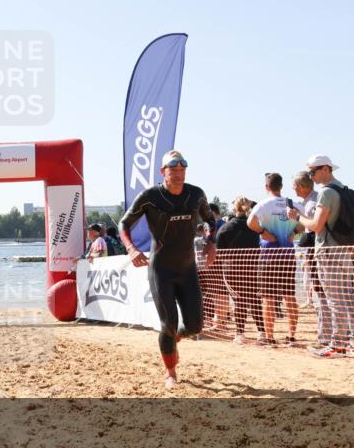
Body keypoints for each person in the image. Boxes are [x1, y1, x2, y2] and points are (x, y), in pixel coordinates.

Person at [119, 150, 216, 388]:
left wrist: (211, 242)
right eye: (174, 170)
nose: (179, 174)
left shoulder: (195, 194)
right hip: (161, 269)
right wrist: (131, 249)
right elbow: (124, 224)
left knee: (195, 326)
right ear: (163, 172)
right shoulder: (151, 196)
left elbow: (210, 220)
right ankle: (170, 372)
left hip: (187, 269)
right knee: (168, 323)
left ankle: (173, 341)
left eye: (183, 170)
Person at [288, 155, 354, 358]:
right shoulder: (344, 190)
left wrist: (297, 216)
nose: (311, 177)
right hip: (344, 250)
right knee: (349, 296)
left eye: (313, 172)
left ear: (325, 169)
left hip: (329, 250)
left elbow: (316, 225)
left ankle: (337, 344)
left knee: (334, 300)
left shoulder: (326, 193)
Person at [248, 173, 300, 346]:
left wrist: (263, 233)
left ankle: (270, 337)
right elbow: (306, 220)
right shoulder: (291, 203)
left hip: (269, 255)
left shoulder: (263, 204)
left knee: (268, 298)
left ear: (266, 187)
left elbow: (250, 222)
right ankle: (292, 336)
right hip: (287, 255)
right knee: (289, 296)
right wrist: (294, 232)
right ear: (281, 186)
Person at [216, 196, 264, 344]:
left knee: (238, 301)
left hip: (232, 268)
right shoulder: (255, 226)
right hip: (253, 267)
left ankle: (240, 334)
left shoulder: (226, 227)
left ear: (233, 209)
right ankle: (261, 333)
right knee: (255, 300)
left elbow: (219, 250)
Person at [291, 171, 331, 348]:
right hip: (315, 252)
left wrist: (297, 218)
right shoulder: (308, 202)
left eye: (294, 186)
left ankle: (326, 336)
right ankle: (325, 334)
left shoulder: (313, 203)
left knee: (321, 294)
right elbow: (306, 225)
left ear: (301, 187)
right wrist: (293, 232)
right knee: (319, 293)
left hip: (318, 253)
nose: (293, 190)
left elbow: (315, 226)